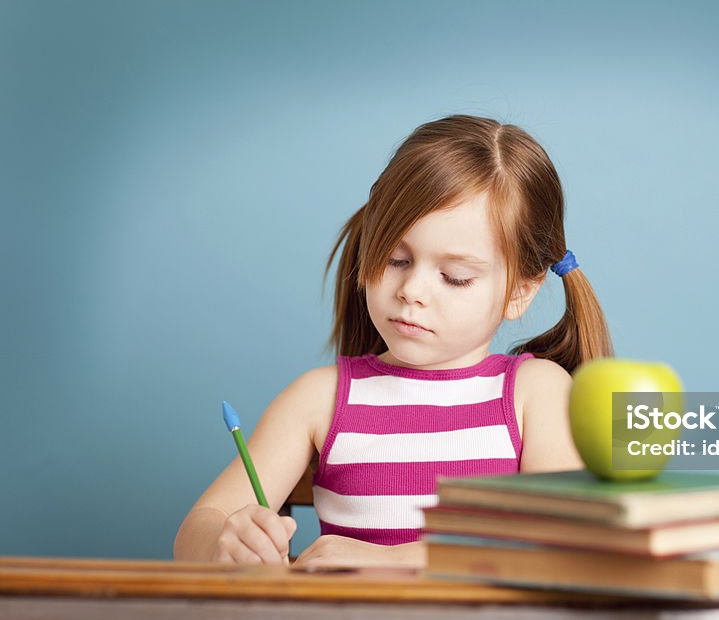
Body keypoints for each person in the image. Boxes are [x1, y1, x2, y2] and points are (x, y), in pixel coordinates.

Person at [173, 115, 613, 569]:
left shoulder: (535, 393)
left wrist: (398, 560)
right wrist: (225, 543)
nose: (412, 291)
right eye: (396, 258)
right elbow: (200, 526)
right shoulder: (317, 399)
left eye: (454, 277)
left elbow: (564, 540)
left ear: (520, 291)